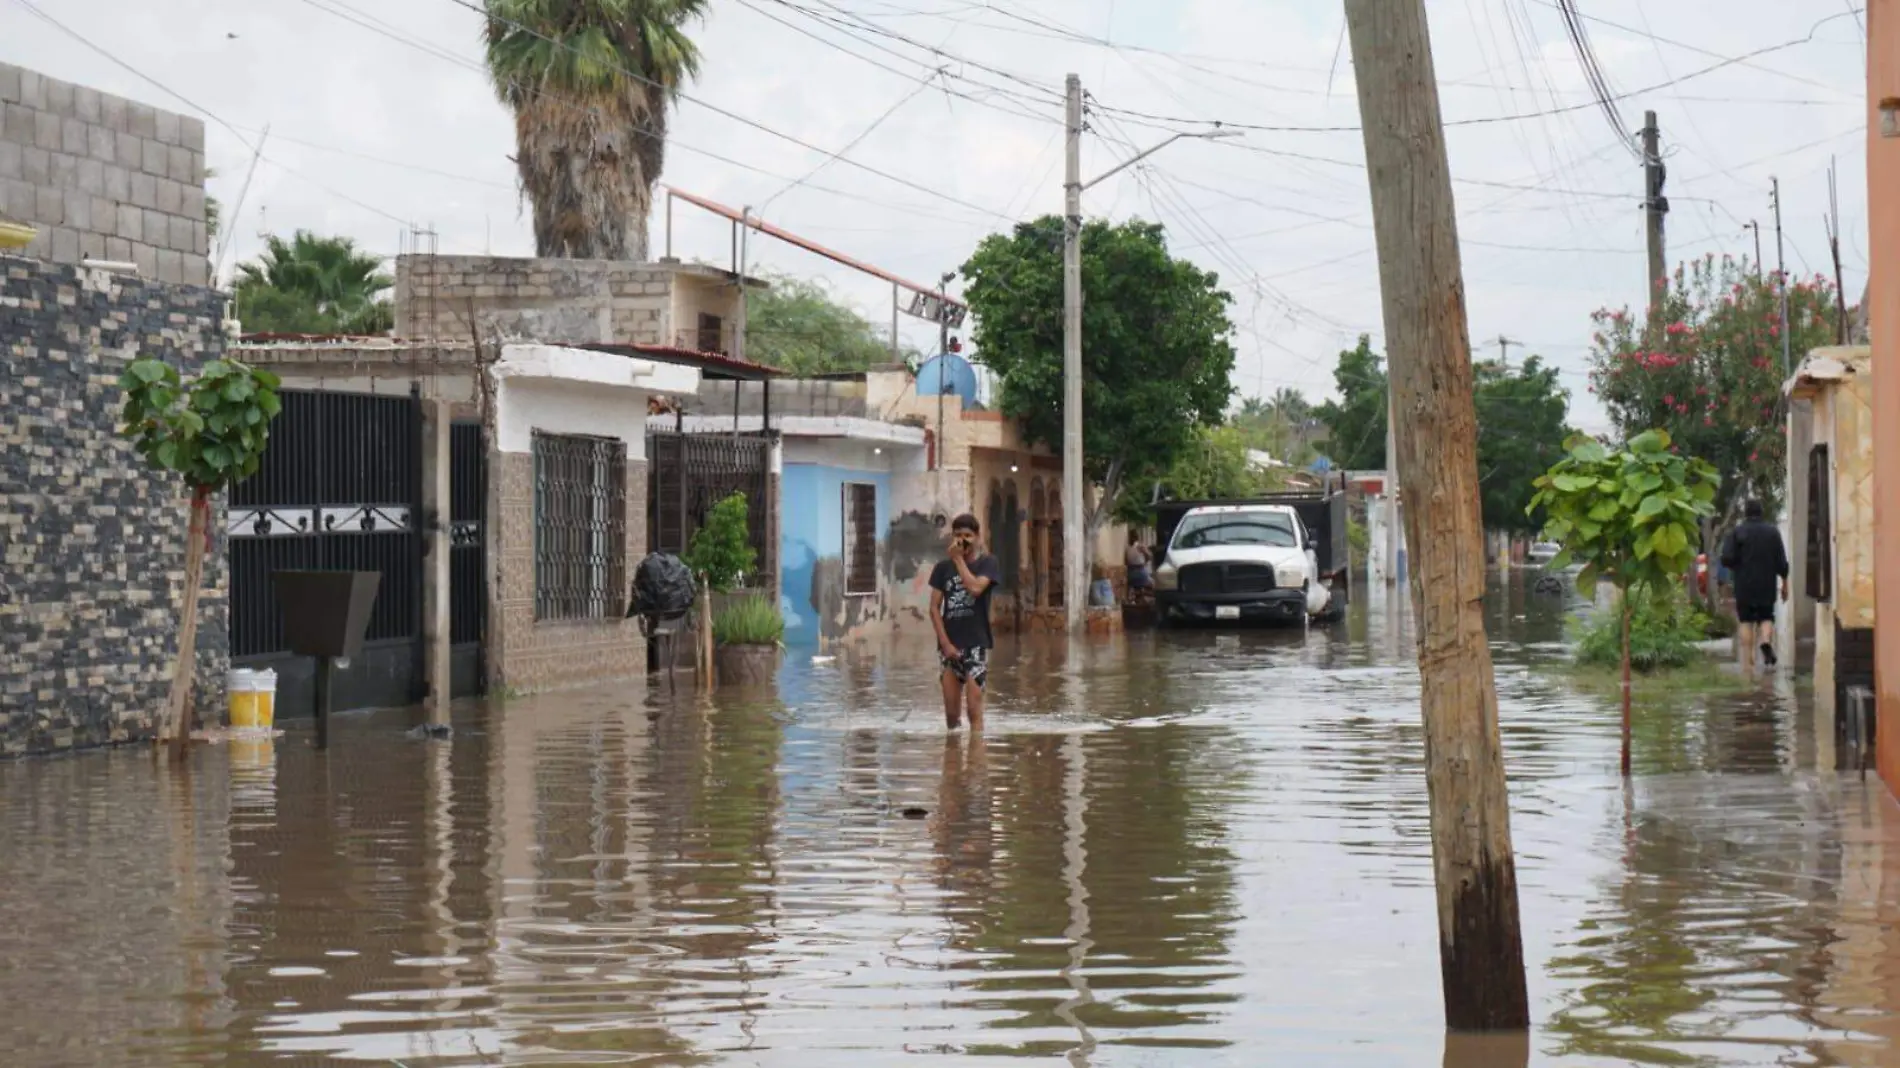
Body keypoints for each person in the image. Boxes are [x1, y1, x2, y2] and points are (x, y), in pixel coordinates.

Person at [930, 514, 1003, 731]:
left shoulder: (988, 563)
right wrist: (945, 644)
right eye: (958, 535)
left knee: (974, 711)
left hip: (976, 644)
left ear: (978, 538)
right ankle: (953, 760)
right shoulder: (942, 569)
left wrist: (959, 560)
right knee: (952, 717)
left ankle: (976, 761)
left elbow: (976, 589)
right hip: (949, 647)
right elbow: (934, 607)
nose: (963, 540)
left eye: (968, 536)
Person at [1719, 498, 1789, 667]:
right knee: (1766, 617)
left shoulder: (1737, 532)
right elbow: (1781, 561)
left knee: (1746, 620)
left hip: (1744, 583)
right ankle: (1765, 641)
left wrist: (1737, 567)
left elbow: (1726, 558)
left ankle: (1748, 660)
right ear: (1761, 512)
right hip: (1766, 583)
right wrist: (1785, 583)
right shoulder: (1772, 532)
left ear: (1746, 513)